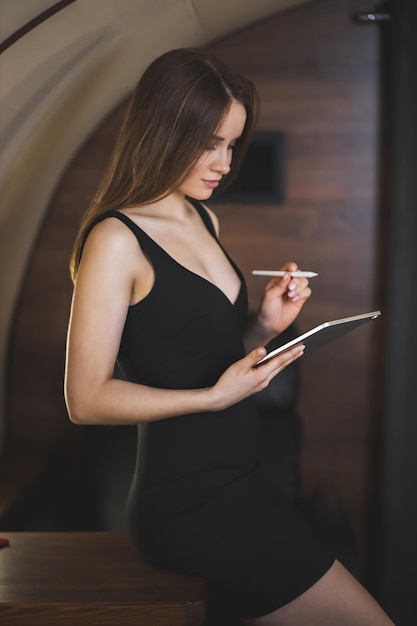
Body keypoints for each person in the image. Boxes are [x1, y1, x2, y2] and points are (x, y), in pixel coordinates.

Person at [64, 47, 394, 625]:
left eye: (233, 144)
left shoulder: (204, 217)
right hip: (187, 504)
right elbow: (85, 399)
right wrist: (212, 399)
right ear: (164, 132)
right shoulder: (116, 241)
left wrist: (264, 325)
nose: (224, 162)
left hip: (242, 482)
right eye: (210, 143)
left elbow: (202, 348)